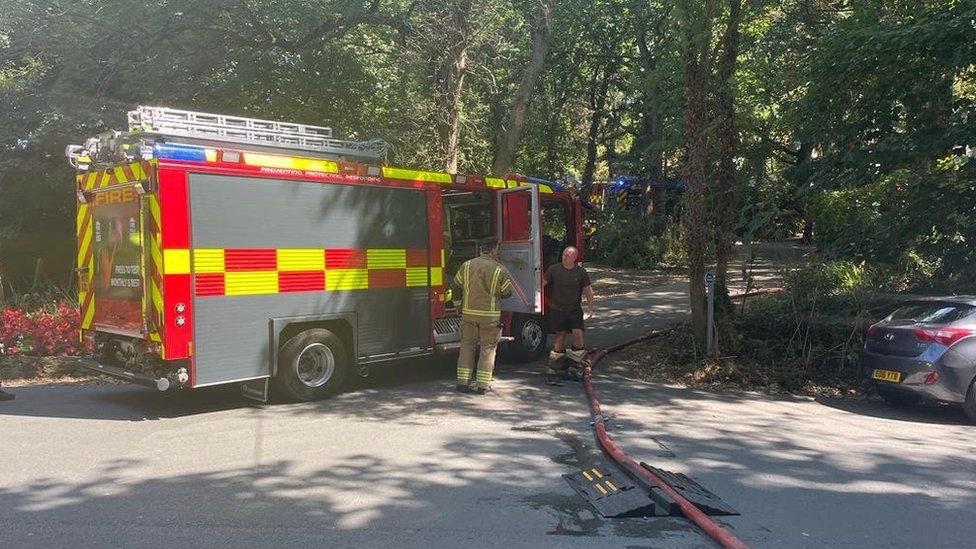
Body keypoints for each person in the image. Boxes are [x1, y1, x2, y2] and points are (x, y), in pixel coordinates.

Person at [452, 236, 513, 395]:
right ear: (494, 250)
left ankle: (462, 383)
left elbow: (456, 286)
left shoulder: (466, 266)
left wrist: (458, 306)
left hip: (468, 314)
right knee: (488, 349)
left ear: (480, 249)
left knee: (467, 346)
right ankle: (482, 385)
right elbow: (507, 293)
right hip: (489, 317)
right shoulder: (500, 269)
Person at [543, 246, 594, 383]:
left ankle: (575, 367)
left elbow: (588, 290)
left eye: (567, 255)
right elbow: (541, 284)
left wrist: (590, 308)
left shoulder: (580, 272)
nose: (564, 257)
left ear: (574, 258)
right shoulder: (553, 270)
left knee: (578, 334)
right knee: (560, 336)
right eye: (564, 254)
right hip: (557, 309)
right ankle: (554, 368)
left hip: (574, 309)